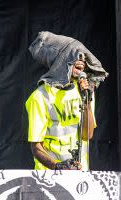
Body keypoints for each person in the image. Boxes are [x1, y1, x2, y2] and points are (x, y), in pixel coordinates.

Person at [26, 31, 108, 170]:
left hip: (79, 175)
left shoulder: (85, 92)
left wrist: (87, 101)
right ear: (62, 61)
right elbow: (36, 147)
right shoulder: (39, 97)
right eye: (76, 55)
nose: (82, 58)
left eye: (83, 57)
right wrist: (58, 167)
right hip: (49, 176)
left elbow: (86, 135)